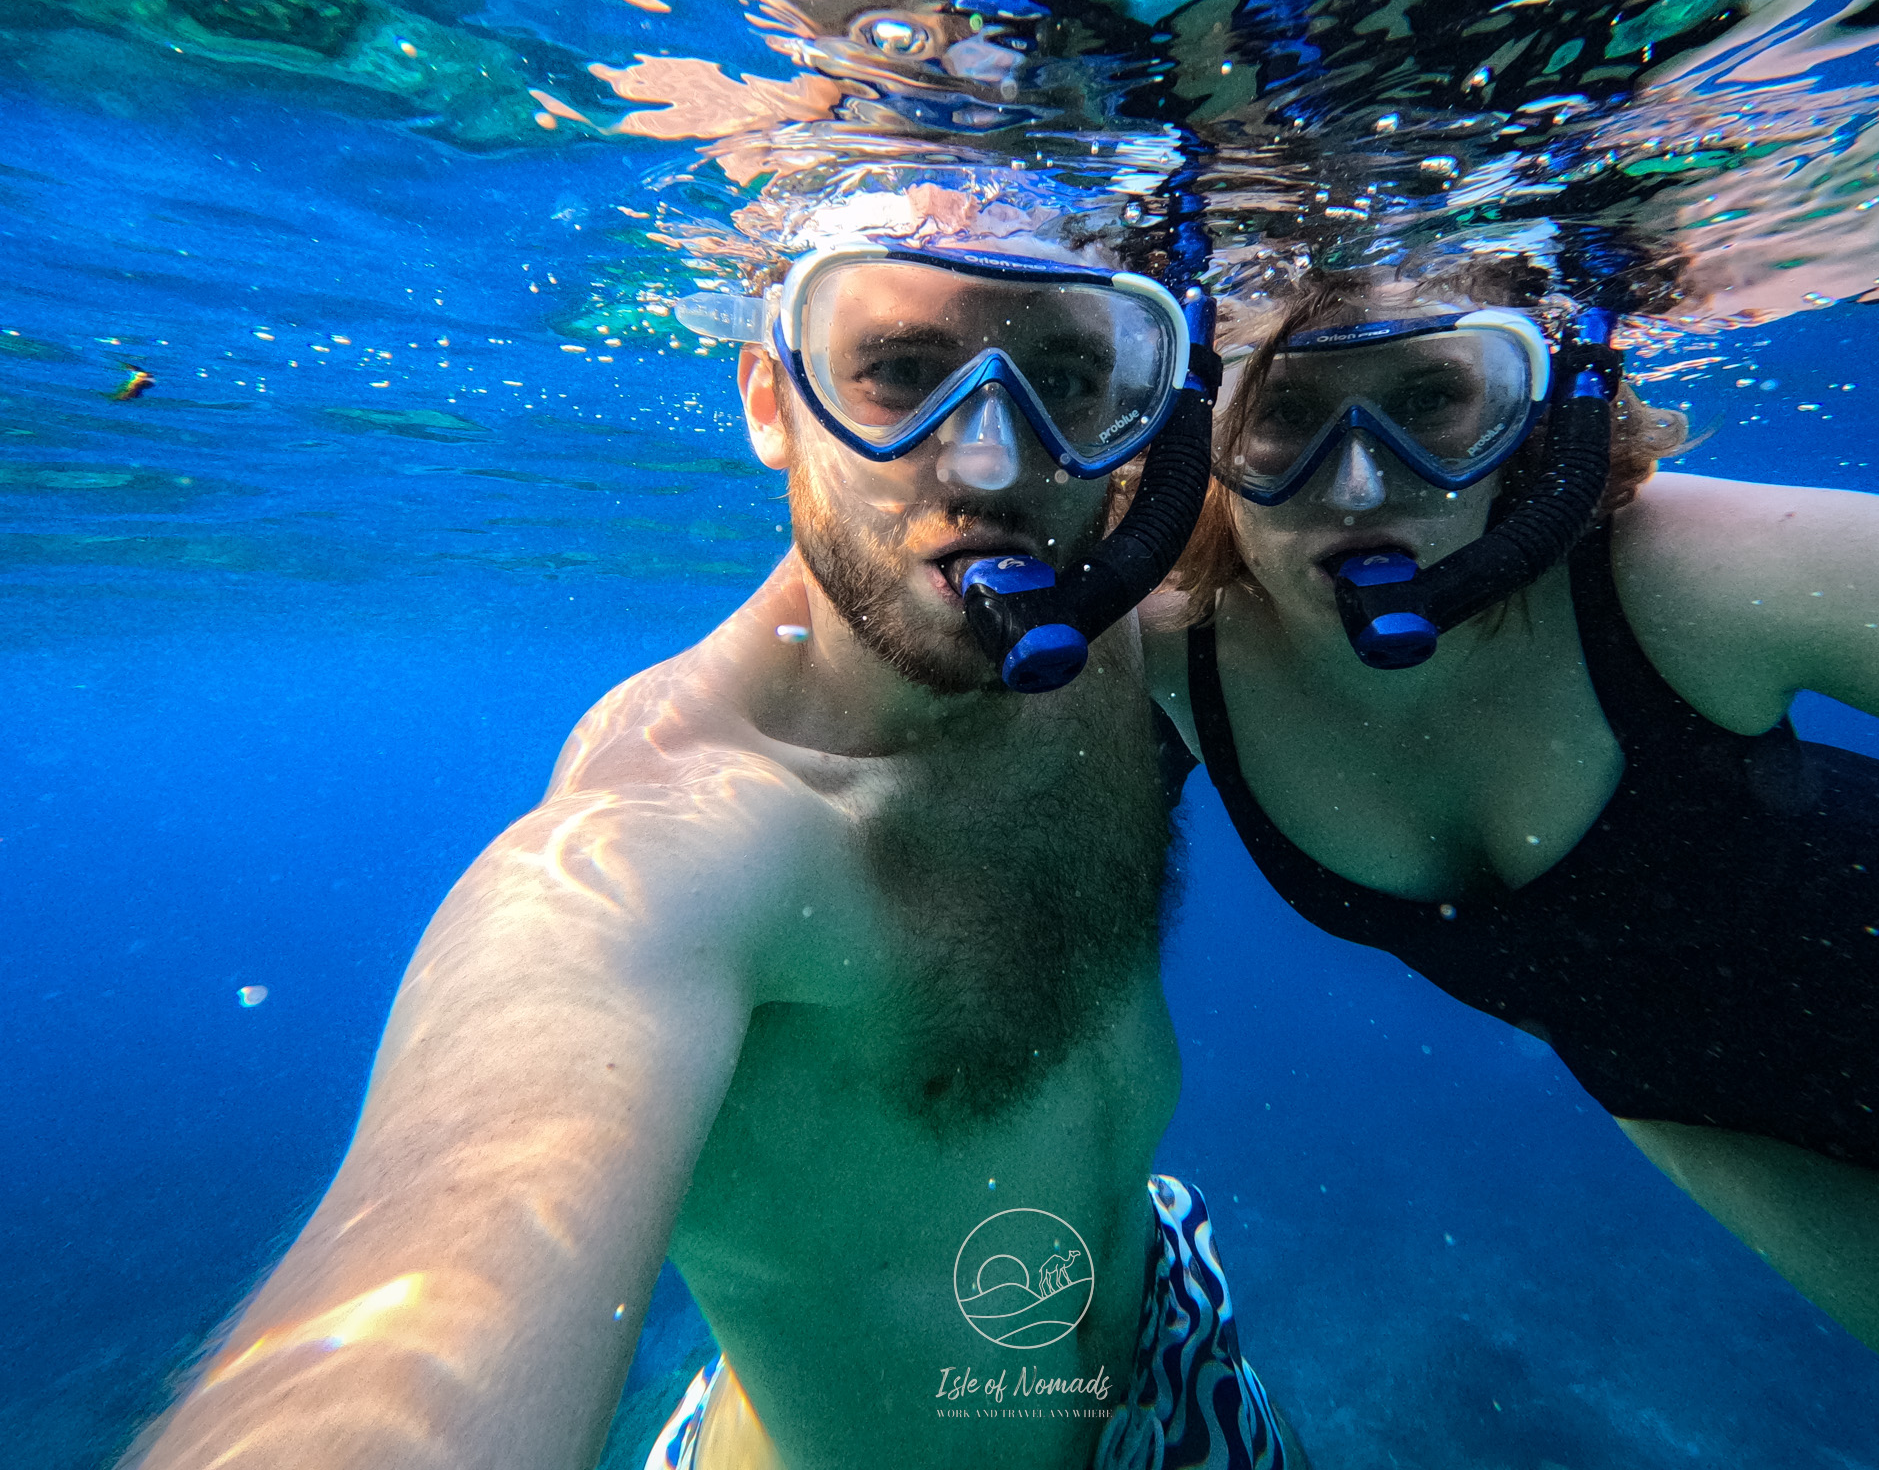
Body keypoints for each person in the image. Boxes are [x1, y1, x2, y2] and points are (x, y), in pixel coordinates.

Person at [128, 187, 1298, 1470]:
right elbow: (463, 1196)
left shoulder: (1122, 640)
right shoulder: (668, 844)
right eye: (901, 372)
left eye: (1064, 378)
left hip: (1173, 1346)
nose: (989, 460)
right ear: (768, 401)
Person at [1143, 243, 1879, 1464]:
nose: (1356, 486)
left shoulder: (1688, 566)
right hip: (1707, 1122)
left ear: (1530, 414)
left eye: (1426, 402)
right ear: (1198, 432)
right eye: (1285, 414)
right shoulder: (1163, 659)